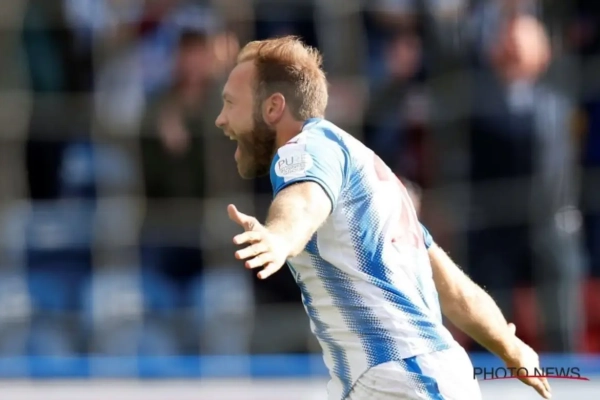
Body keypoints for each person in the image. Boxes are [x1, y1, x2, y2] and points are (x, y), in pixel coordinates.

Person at [215, 36, 551, 400]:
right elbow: (453, 289)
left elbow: (304, 202)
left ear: (273, 107)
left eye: (230, 103)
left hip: (399, 378)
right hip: (419, 374)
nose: (220, 119)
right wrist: (511, 346)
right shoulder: (372, 176)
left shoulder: (304, 148)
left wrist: (280, 237)